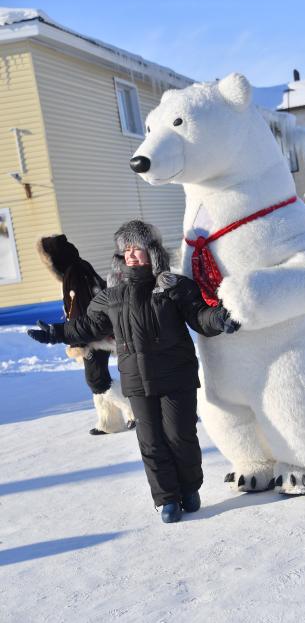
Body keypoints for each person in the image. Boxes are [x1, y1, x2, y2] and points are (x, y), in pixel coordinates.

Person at [29, 221, 239, 523]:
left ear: (151, 251)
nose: (131, 255)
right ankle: (166, 499)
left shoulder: (173, 286)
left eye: (136, 248)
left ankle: (189, 488)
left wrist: (219, 318)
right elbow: (88, 326)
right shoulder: (112, 296)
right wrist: (57, 333)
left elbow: (199, 317)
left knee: (180, 437)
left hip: (175, 375)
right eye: (125, 250)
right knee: (150, 442)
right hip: (137, 380)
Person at [37, 234, 135, 435]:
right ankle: (109, 422)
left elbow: (80, 308)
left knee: (96, 379)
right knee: (97, 377)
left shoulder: (73, 273)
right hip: (94, 333)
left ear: (55, 259)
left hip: (93, 336)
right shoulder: (79, 267)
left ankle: (134, 411)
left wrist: (77, 339)